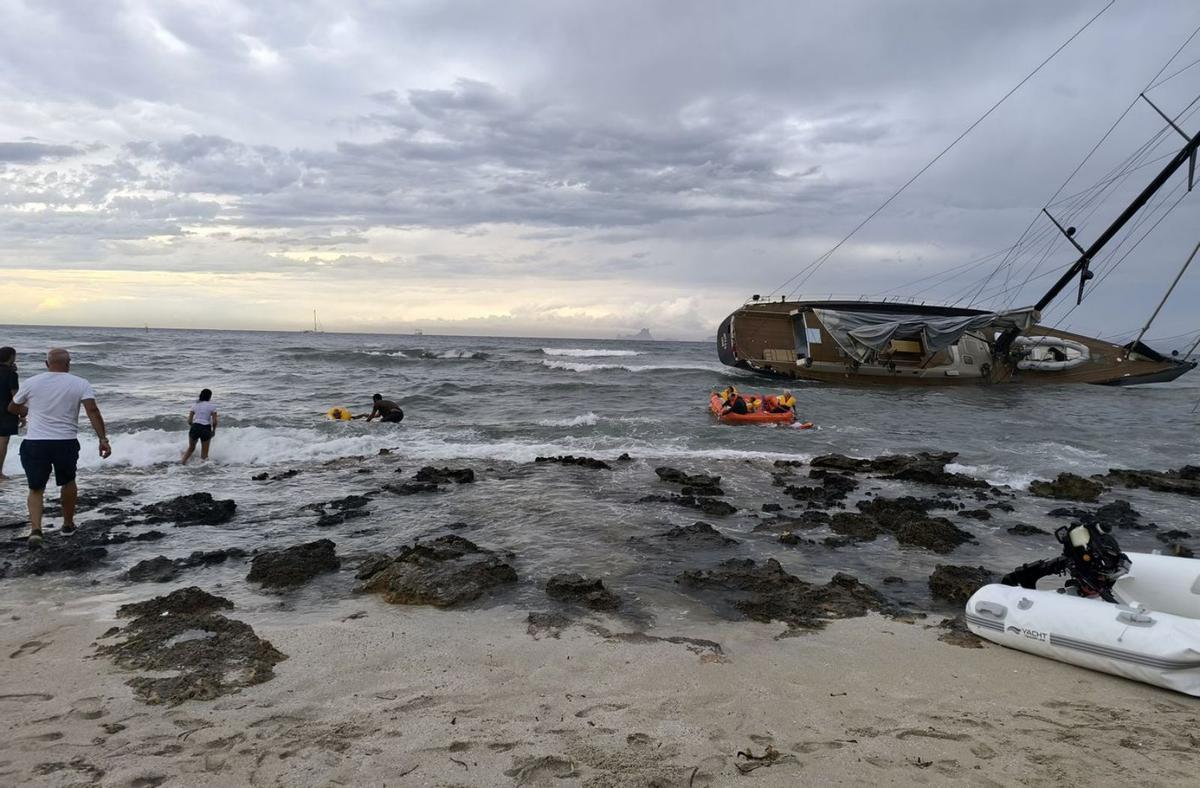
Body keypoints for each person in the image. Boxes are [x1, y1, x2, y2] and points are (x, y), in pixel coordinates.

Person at [6, 348, 111, 548]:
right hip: (65, 441)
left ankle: (36, 530)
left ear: (47, 364)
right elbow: (92, 411)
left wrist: (30, 411)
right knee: (68, 481)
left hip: (35, 442)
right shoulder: (80, 383)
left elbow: (12, 407)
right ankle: (68, 524)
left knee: (35, 488)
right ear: (68, 363)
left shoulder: (31, 382)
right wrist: (103, 439)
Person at [181, 388, 218, 464]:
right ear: (209, 397)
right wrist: (213, 431)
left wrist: (194, 427)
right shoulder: (212, 407)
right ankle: (201, 471)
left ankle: (182, 463)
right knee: (204, 454)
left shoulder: (194, 405)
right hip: (206, 428)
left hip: (195, 426)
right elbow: (214, 422)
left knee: (191, 448)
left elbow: (189, 421)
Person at [0, 346, 20, 479]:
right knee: (2, 442)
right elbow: (16, 397)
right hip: (5, 411)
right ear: (11, 357)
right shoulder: (11, 373)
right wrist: (21, 414)